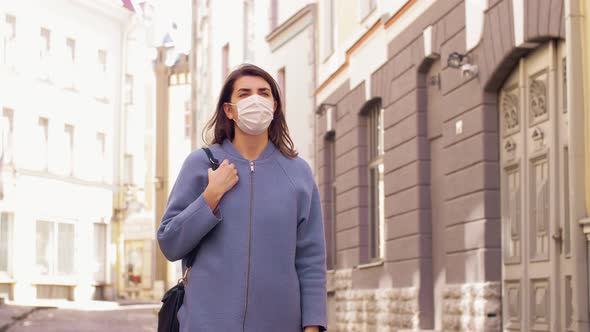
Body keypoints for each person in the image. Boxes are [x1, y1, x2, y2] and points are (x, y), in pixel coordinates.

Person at [157, 64, 327, 332]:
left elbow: (311, 258)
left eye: (263, 93)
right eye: (244, 94)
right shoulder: (201, 164)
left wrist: (313, 324)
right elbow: (169, 242)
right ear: (229, 109)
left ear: (274, 106)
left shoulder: (298, 173)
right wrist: (210, 196)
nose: (255, 100)